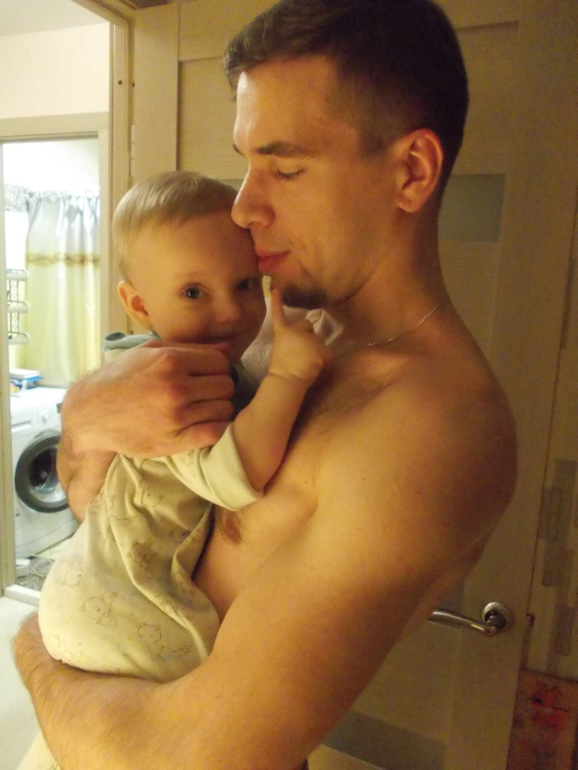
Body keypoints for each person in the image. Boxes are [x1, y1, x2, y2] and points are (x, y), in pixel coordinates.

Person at [14, 1, 517, 769]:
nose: (245, 207)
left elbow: (181, 759)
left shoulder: (432, 428)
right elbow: (105, 509)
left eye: (284, 168)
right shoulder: (267, 330)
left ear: (411, 172)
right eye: (246, 163)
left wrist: (32, 650)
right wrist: (84, 418)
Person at [38, 170, 328, 684]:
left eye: (245, 284)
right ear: (139, 305)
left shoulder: (180, 363)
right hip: (126, 613)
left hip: (83, 596)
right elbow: (231, 477)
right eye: (194, 292)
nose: (231, 313)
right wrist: (288, 377)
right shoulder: (167, 382)